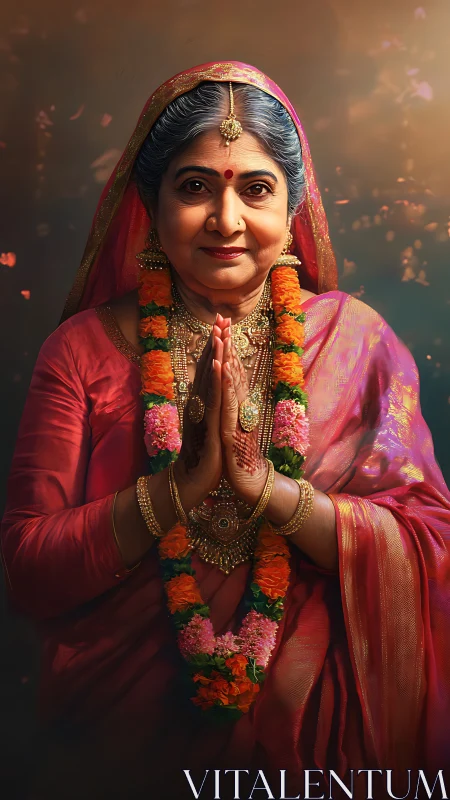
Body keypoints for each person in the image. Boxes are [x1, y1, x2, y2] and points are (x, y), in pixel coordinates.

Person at [1, 61, 450, 800]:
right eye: (195, 186)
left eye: (257, 188)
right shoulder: (82, 352)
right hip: (119, 754)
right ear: (150, 200)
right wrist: (175, 491)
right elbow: (26, 571)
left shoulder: (358, 343)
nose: (228, 221)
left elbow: (427, 548)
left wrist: (269, 492)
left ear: (294, 204)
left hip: (318, 758)